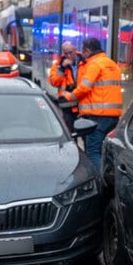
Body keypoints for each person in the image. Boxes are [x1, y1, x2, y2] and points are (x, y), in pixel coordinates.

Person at [59, 38, 123, 169]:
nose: (81, 54)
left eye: (82, 51)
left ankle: (99, 184)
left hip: (97, 116)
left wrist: (69, 97)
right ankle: (110, 176)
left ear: (88, 51)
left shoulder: (94, 64)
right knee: (105, 151)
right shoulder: (112, 64)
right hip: (113, 117)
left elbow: (85, 87)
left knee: (93, 152)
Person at [49, 41, 84, 128]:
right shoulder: (58, 64)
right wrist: (62, 68)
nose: (68, 56)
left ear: (75, 49)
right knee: (70, 133)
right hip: (68, 106)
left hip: (84, 105)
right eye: (66, 53)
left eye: (71, 52)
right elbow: (54, 82)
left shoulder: (84, 61)